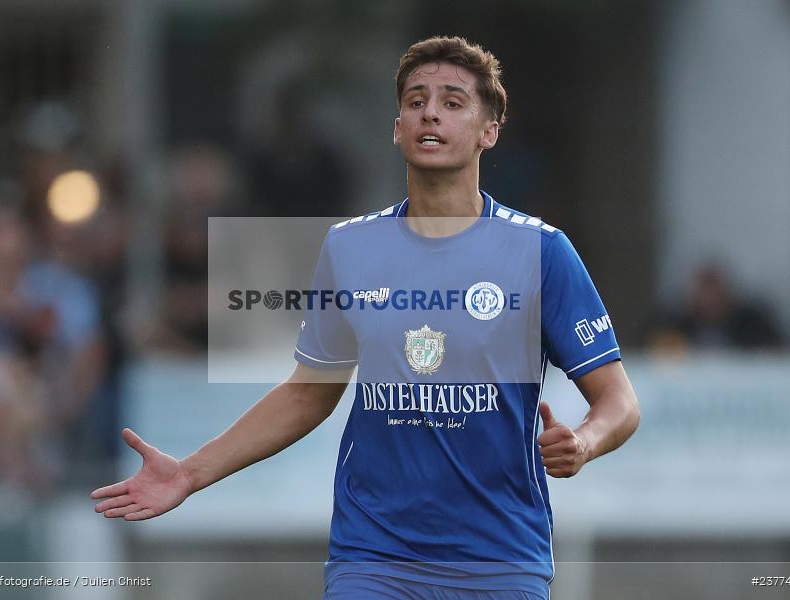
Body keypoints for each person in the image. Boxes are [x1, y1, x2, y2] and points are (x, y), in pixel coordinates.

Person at [91, 36, 640, 600]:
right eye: (415, 100)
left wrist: (586, 441)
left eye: (453, 102)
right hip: (374, 557)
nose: (430, 111)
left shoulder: (540, 252)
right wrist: (189, 473)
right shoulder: (350, 247)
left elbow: (619, 401)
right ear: (398, 127)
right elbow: (310, 392)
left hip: (500, 558)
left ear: (488, 130)